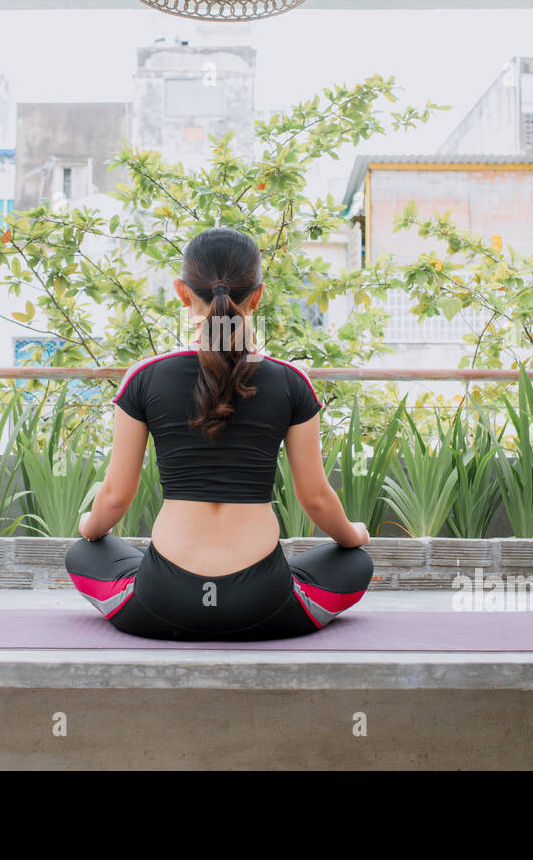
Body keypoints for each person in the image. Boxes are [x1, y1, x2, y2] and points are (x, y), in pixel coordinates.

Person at [66, 226, 374, 641]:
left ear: (181, 291)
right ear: (258, 295)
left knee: (84, 552)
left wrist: (89, 527)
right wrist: (354, 535)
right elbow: (316, 499)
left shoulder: (144, 377)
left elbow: (116, 497)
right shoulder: (291, 382)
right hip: (264, 604)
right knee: (355, 563)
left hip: (162, 602)